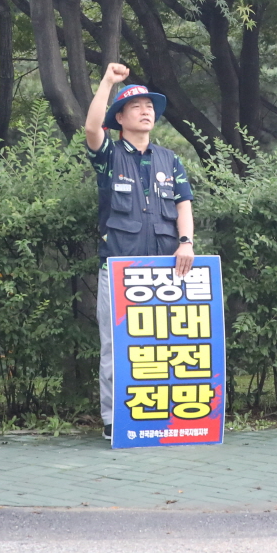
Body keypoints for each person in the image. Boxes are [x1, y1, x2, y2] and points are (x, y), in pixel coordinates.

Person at [85, 64, 195, 439]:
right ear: (120, 118)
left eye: (150, 106)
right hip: (119, 269)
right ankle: (114, 420)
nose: (146, 111)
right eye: (136, 106)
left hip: (165, 270)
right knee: (115, 346)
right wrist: (107, 82)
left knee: (165, 345)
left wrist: (186, 242)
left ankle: (163, 416)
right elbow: (91, 129)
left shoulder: (169, 159)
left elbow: (183, 204)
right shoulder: (109, 154)